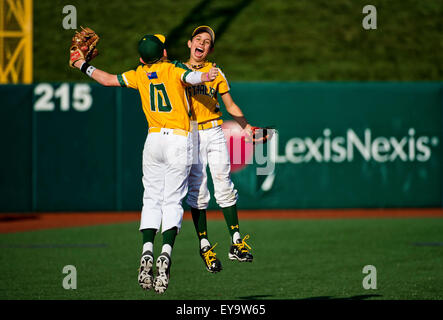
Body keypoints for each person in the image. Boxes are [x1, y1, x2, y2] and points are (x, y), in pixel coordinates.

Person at [70, 33, 218, 293]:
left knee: (151, 199)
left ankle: (147, 250)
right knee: (172, 200)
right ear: (163, 53)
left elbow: (106, 80)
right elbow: (190, 77)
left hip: (153, 141)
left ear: (141, 58)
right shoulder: (173, 69)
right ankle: (165, 253)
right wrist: (204, 76)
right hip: (178, 140)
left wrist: (81, 64)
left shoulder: (138, 73)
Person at [183, 26, 255, 273]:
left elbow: (230, 104)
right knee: (198, 190)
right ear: (190, 43)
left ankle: (236, 242)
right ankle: (204, 245)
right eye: (198, 39)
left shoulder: (215, 72)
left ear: (210, 49)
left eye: (207, 41)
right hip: (190, 133)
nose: (202, 43)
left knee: (224, 182)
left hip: (214, 130)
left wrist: (246, 126)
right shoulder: (176, 70)